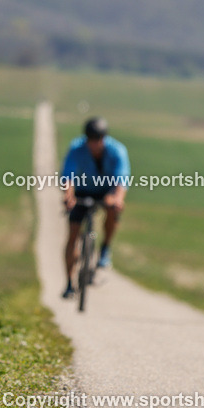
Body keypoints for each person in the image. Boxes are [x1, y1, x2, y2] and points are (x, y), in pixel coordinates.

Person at [60, 117, 130, 298]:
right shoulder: (76, 148)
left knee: (113, 210)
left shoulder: (117, 150)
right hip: (82, 192)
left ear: (104, 138)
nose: (94, 144)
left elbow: (121, 180)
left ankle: (105, 248)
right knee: (73, 234)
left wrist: (117, 199)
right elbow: (68, 175)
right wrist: (68, 196)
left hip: (105, 193)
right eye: (91, 140)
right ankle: (69, 283)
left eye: (98, 140)